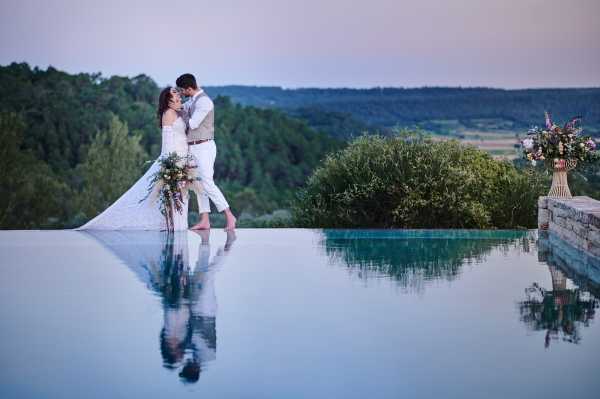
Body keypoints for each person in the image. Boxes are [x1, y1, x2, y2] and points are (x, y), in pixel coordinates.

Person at [77, 87, 190, 230]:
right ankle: (174, 227)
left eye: (177, 92)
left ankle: (179, 226)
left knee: (182, 195)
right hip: (174, 161)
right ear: (168, 100)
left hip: (183, 158)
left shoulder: (179, 112)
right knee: (173, 195)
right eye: (174, 93)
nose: (178, 94)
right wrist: (169, 165)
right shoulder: (168, 113)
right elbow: (167, 142)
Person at [175, 73, 237, 231]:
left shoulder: (205, 102)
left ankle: (229, 215)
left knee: (207, 183)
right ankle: (205, 220)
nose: (181, 94)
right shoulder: (191, 101)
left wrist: (180, 110)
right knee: (198, 185)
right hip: (192, 147)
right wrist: (181, 109)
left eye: (182, 91)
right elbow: (185, 111)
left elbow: (193, 124)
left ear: (189, 88)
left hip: (204, 147)